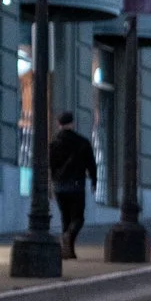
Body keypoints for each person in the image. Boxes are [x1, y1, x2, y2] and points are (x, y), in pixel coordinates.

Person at [48, 110, 99, 259]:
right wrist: (94, 181)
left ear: (59, 124)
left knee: (65, 217)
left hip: (59, 185)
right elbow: (91, 164)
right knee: (78, 218)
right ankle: (68, 237)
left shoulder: (54, 143)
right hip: (76, 184)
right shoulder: (82, 142)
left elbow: (51, 165)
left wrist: (52, 183)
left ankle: (68, 251)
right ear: (72, 123)